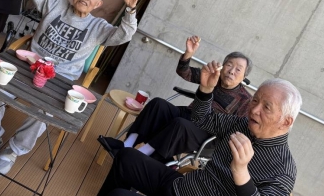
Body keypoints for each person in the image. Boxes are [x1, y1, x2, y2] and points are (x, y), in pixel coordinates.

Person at [48, 62, 301, 196]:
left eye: (266, 107)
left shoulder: (283, 169)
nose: (254, 110)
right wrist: (206, 90)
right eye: (255, 101)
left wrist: (241, 174)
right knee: (127, 159)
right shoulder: (242, 125)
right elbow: (202, 119)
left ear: (286, 121)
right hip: (185, 188)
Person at [0, 0, 142, 176]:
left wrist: (130, 10)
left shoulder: (98, 27)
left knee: (46, 112)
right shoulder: (55, 3)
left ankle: (12, 151)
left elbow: (124, 35)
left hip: (60, 80)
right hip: (27, 65)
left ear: (98, 5)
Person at [99, 35, 252, 162]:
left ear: (244, 76)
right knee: (158, 104)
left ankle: (139, 155)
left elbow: (237, 130)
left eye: (238, 69)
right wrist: (188, 54)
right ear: (222, 66)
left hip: (207, 133)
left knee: (179, 124)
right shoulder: (213, 76)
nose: (232, 71)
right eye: (229, 65)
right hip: (189, 114)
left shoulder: (245, 100)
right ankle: (127, 145)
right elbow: (185, 72)